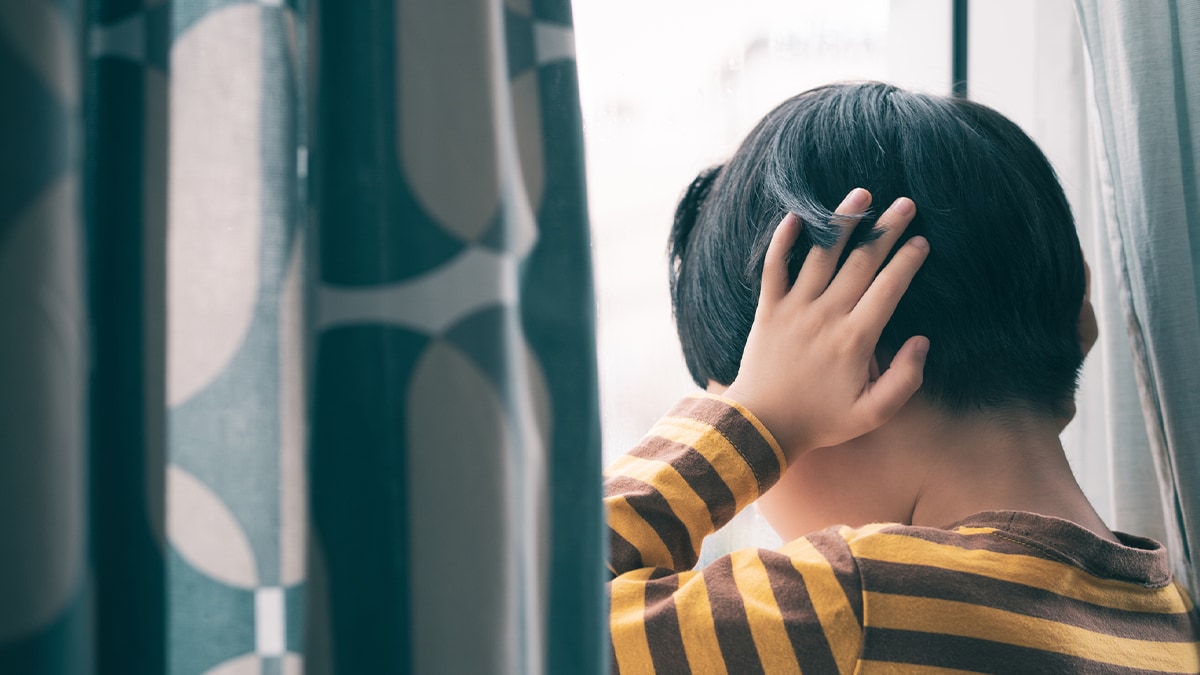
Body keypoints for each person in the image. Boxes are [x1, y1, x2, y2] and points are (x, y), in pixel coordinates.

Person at [605, 82, 1200, 673]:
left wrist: (761, 422)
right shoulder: (1168, 613)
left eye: (739, 390)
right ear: (1079, 326)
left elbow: (528, 622)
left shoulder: (846, 607)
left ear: (853, 368)